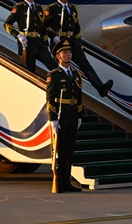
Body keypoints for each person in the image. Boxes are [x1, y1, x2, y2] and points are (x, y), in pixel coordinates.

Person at [44, 0, 113, 97]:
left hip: (72, 42)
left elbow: (76, 28)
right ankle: (58, 91)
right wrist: (54, 37)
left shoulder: (73, 8)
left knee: (85, 65)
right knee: (59, 69)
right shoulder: (52, 9)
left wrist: (79, 43)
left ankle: (100, 87)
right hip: (59, 42)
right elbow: (45, 26)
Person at [46, 39, 83, 193]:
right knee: (60, 151)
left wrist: (79, 115)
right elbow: (50, 99)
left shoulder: (75, 74)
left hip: (72, 115)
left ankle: (67, 181)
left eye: (70, 52)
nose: (69, 55)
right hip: (61, 115)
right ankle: (59, 182)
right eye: (65, 52)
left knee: (69, 150)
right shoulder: (54, 75)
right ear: (58, 56)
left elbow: (79, 97)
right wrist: (53, 119)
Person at [4, 0, 56, 73]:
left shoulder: (40, 8)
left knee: (53, 66)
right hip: (26, 43)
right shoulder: (19, 8)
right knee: (30, 70)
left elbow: (43, 28)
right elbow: (7, 24)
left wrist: (47, 44)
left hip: (39, 42)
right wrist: (18, 36)